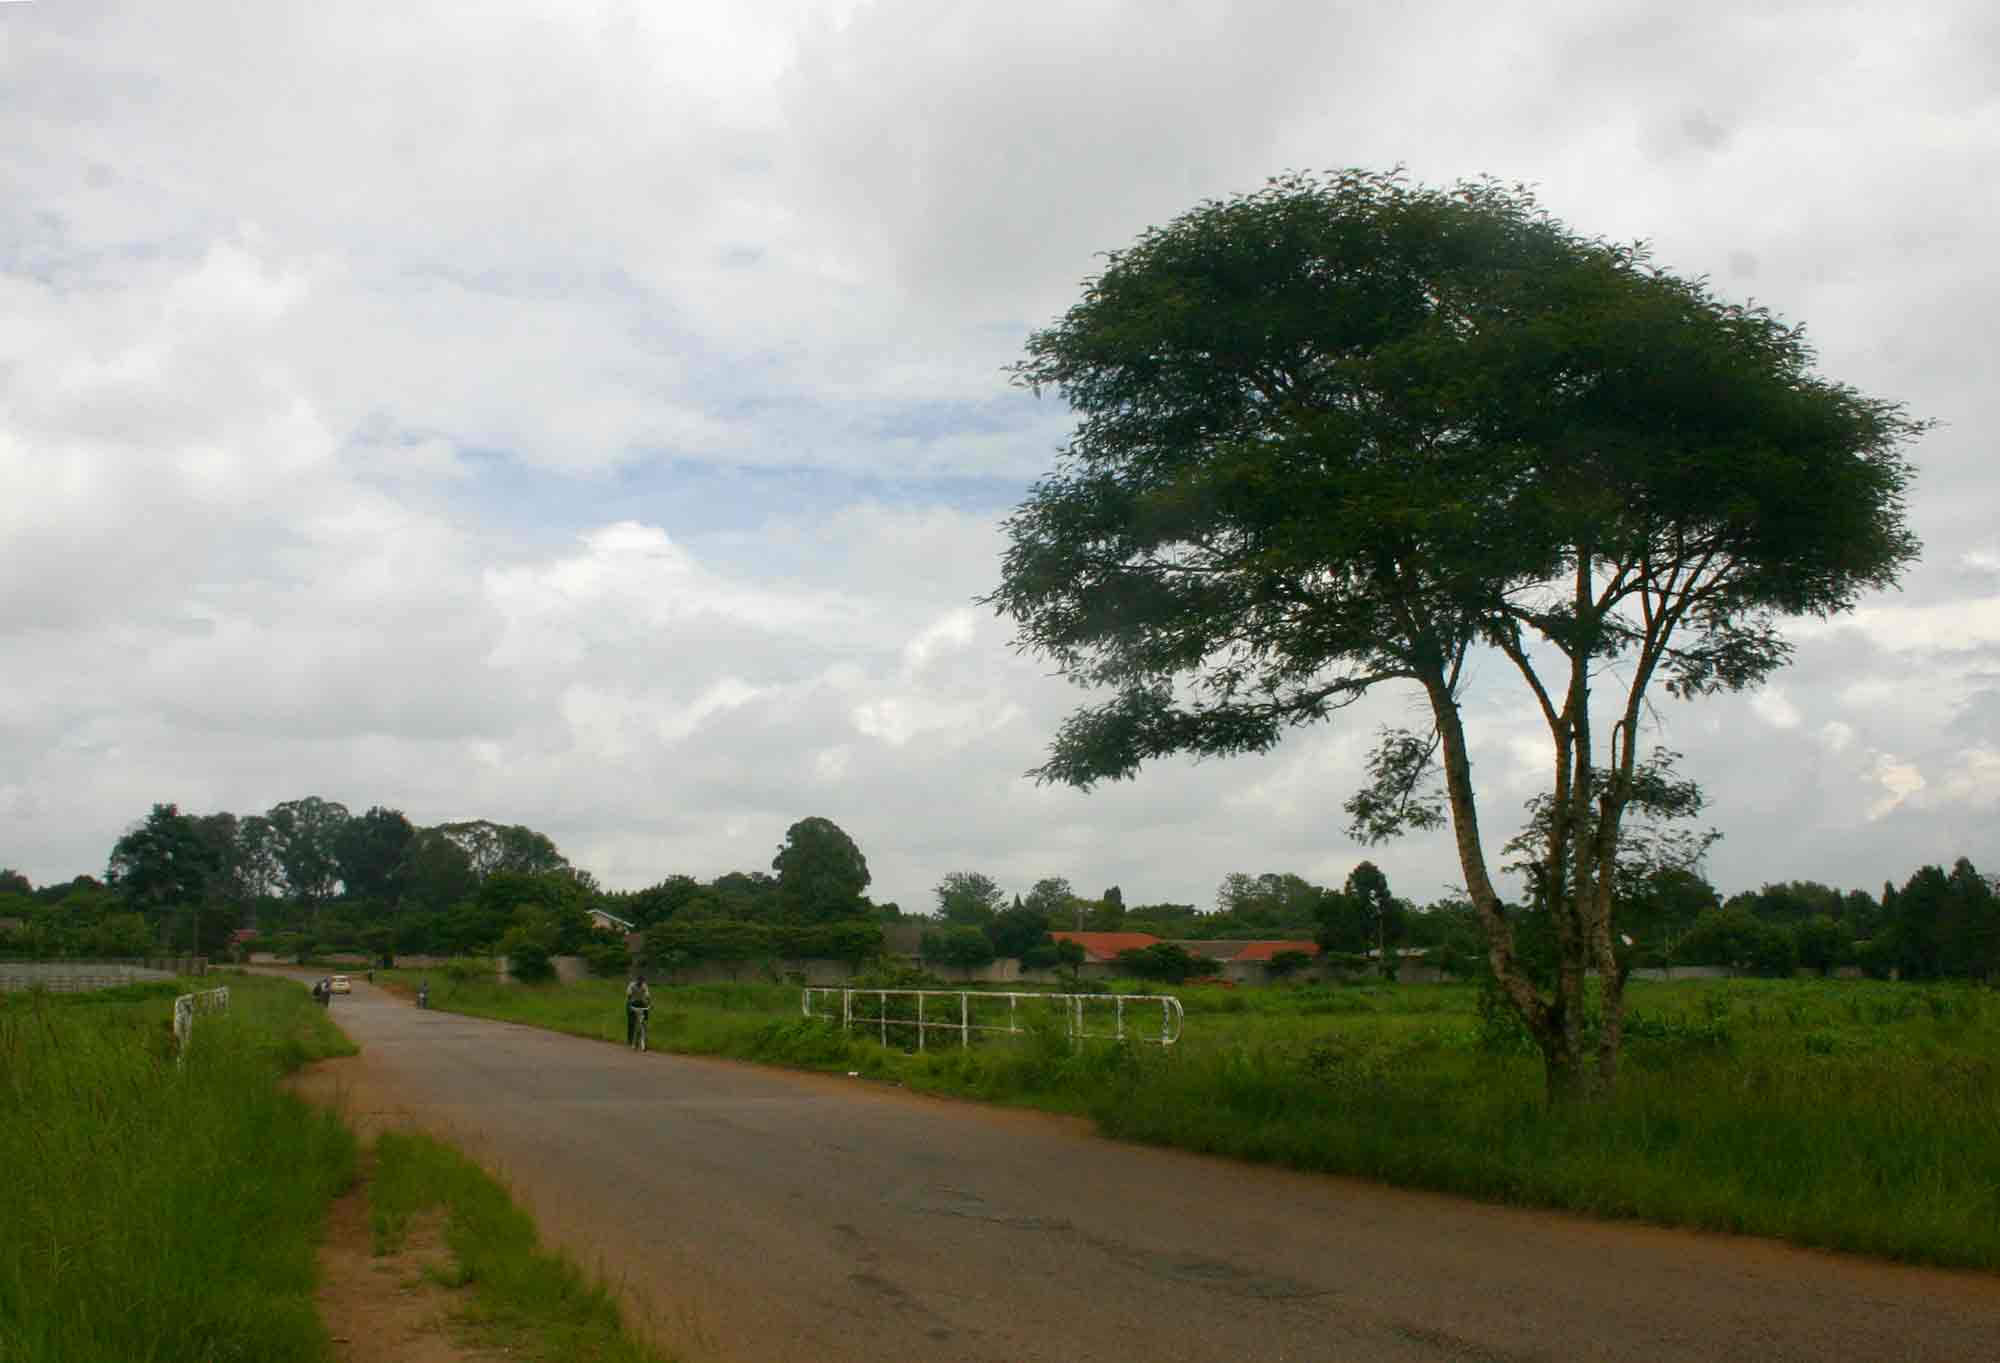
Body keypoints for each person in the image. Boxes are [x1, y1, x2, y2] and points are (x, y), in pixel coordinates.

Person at [625, 973, 652, 1046]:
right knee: (631, 1022)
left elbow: (647, 995)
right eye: (639, 982)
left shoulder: (644, 986)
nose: (640, 983)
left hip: (640, 1002)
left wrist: (650, 1004)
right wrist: (630, 1006)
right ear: (637, 981)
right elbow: (629, 996)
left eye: (642, 982)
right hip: (631, 1002)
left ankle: (644, 1025)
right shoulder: (632, 985)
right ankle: (630, 1040)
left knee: (645, 1014)